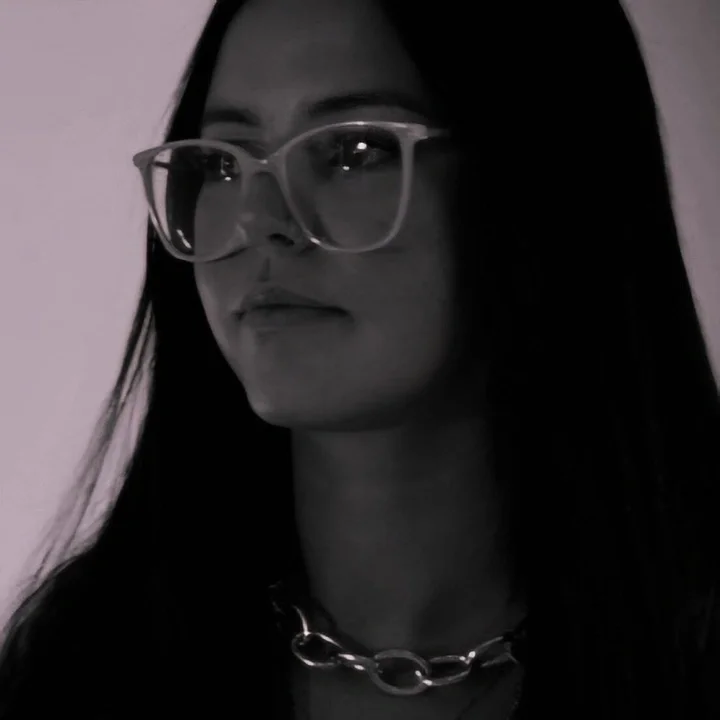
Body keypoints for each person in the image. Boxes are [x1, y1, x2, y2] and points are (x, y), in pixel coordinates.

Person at [1, 0, 719, 717]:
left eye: (354, 151)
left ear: (542, 184)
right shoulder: (85, 670)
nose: (260, 220)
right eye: (222, 163)